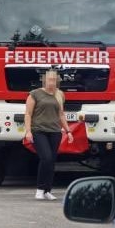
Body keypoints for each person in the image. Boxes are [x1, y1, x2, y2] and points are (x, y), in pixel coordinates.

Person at [23, 69, 73, 201]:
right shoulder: (35, 94)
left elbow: (61, 114)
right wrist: (28, 131)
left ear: (58, 81)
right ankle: (39, 189)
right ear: (44, 80)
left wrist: (68, 131)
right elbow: (28, 114)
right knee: (46, 157)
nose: (52, 82)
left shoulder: (60, 94)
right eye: (49, 79)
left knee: (51, 161)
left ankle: (47, 190)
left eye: (54, 79)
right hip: (39, 130)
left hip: (55, 132)